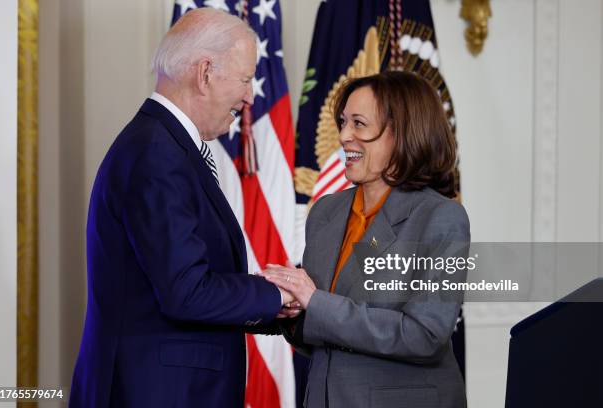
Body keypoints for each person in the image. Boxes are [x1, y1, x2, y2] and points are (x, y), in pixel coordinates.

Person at [69, 8, 293, 408]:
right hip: (154, 394)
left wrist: (284, 309)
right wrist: (278, 294)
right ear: (205, 73)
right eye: (244, 79)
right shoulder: (158, 153)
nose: (249, 97)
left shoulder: (164, 145)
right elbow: (187, 291)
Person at [264, 71, 470, 408]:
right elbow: (321, 329)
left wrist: (314, 302)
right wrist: (290, 310)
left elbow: (425, 336)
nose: (344, 136)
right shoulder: (325, 213)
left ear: (401, 132)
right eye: (343, 122)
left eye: (359, 124)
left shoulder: (441, 217)